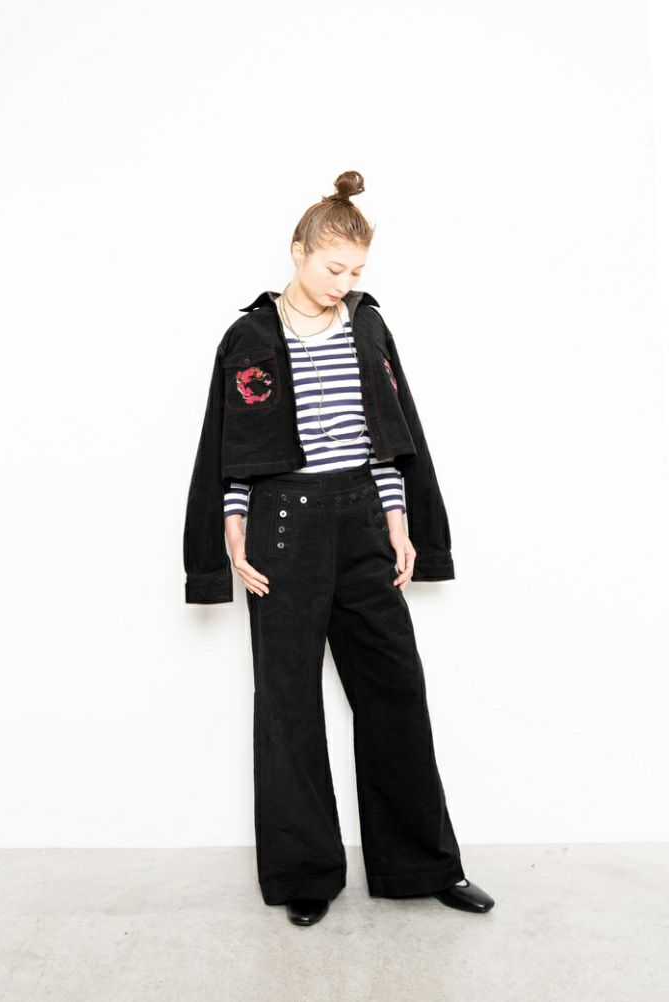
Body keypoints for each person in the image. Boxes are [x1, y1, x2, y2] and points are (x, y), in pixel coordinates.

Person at [183, 171, 495, 926]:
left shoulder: (367, 326)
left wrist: (398, 519)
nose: (344, 284)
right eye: (333, 268)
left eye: (356, 271)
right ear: (298, 252)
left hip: (361, 522)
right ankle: (306, 874)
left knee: (394, 689)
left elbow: (389, 432)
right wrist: (232, 524)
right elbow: (233, 442)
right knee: (287, 704)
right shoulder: (250, 337)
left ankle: (422, 865)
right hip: (282, 528)